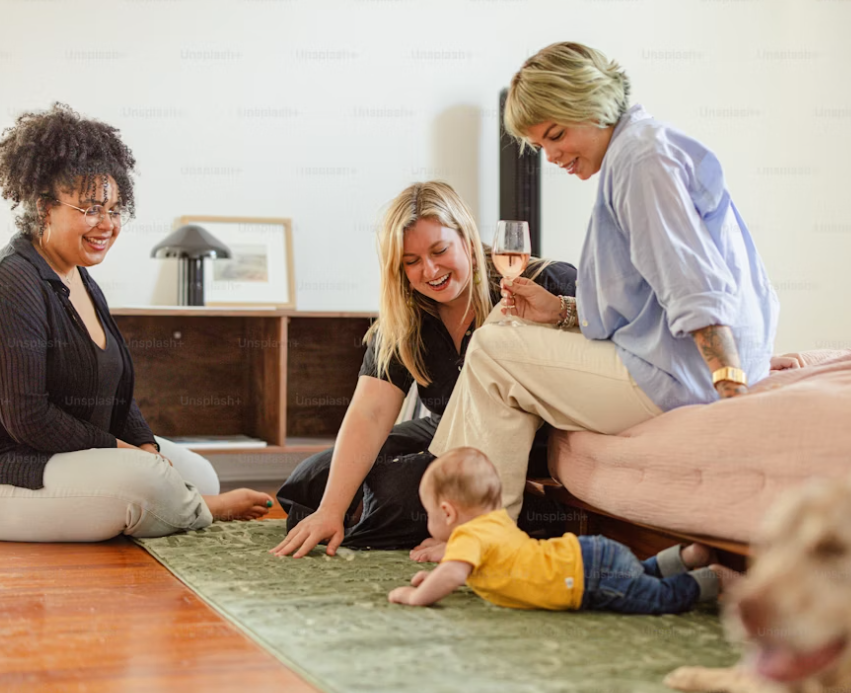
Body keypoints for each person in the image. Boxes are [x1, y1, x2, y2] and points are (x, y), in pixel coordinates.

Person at [427, 42, 782, 520]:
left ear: (590, 104)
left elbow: (693, 285)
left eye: (555, 135)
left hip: (685, 375)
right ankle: (470, 513)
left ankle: (471, 526)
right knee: (504, 332)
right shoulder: (643, 147)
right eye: (540, 146)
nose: (551, 156)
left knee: (492, 349)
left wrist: (733, 394)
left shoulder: (640, 161)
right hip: (678, 361)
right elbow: (644, 301)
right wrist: (559, 311)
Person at [0, 104, 272, 542]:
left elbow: (115, 391)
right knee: (149, 484)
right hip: (17, 467)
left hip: (72, 454)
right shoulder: (13, 281)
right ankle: (205, 511)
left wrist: (144, 443)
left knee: (199, 474)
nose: (106, 225)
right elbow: (29, 419)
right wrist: (126, 454)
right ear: (44, 208)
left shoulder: (80, 278)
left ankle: (189, 503)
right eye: (91, 209)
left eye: (114, 209)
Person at [270, 181, 576, 560]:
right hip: (443, 428)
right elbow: (370, 411)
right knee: (310, 479)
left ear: (465, 236)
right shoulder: (407, 315)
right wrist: (330, 508)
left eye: (439, 250)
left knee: (392, 494)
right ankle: (355, 516)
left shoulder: (541, 281)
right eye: (411, 262)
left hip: (517, 442)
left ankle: (527, 517)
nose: (429, 270)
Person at [388, 447, 739, 612]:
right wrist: (430, 579)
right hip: (590, 556)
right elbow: (492, 571)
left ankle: (710, 578)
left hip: (584, 578)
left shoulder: (467, 537)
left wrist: (417, 595)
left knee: (657, 598)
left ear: (447, 512)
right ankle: (686, 556)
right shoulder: (495, 523)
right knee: (639, 575)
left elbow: (451, 573)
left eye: (429, 513)